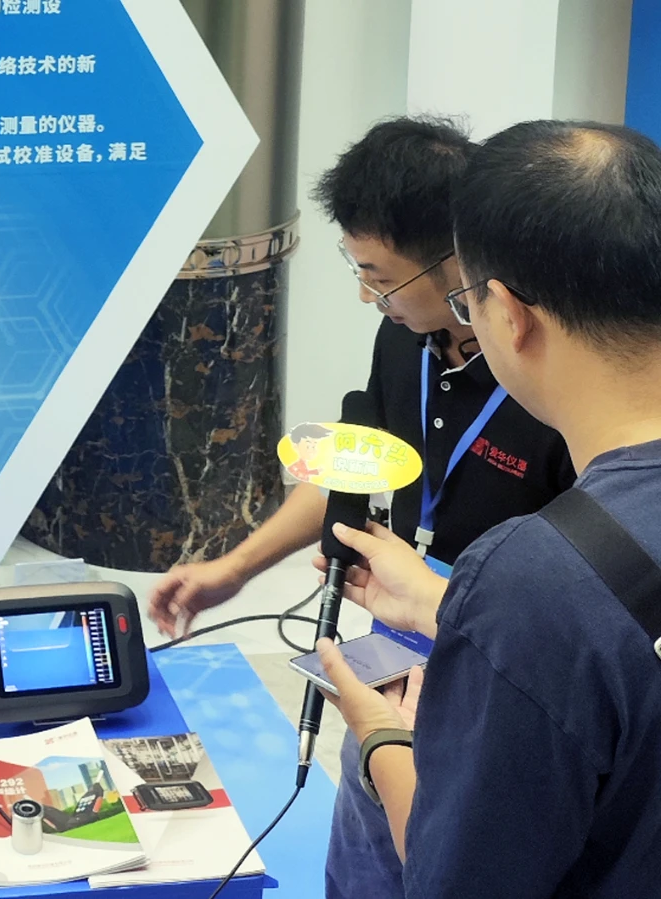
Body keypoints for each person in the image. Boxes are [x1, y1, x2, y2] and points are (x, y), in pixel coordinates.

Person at [147, 116, 578, 899]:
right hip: (390, 646)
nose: (365, 294)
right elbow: (353, 463)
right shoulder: (402, 338)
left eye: (379, 275)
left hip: (500, 667)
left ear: (455, 261)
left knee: (452, 859)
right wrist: (234, 569)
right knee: (364, 852)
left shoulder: (547, 379)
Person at [318, 120, 661, 897]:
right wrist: (453, 610)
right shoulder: (538, 591)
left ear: (505, 312)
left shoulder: (531, 578)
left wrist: (379, 737)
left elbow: (456, 876)